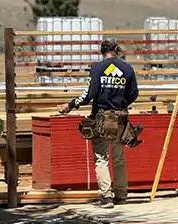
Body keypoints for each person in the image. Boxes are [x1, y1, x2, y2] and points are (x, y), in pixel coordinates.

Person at [58, 39, 139, 209]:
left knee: (101, 158)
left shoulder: (97, 68)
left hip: (102, 117)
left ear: (102, 52)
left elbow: (89, 94)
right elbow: (133, 93)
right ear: (116, 50)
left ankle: (106, 197)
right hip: (120, 117)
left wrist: (71, 105)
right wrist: (121, 104)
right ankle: (121, 195)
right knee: (118, 157)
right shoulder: (127, 69)